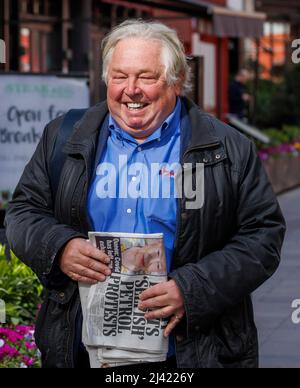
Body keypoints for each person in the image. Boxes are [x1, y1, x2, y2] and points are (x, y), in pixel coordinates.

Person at [5, 20, 286, 369]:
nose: (131, 89)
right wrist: (59, 248)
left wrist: (192, 288)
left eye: (147, 77)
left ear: (177, 81)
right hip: (82, 349)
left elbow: (263, 236)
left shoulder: (226, 148)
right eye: (120, 76)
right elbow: (22, 212)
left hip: (189, 351)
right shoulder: (64, 136)